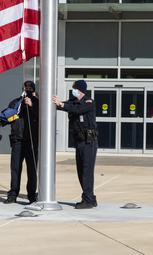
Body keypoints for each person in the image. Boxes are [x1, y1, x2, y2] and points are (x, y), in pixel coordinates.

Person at [52, 80, 98, 209]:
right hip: (80, 141)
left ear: (80, 90)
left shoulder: (88, 102)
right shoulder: (74, 101)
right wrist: (55, 102)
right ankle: (91, 198)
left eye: (74, 88)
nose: (73, 90)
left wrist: (61, 104)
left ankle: (88, 200)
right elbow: (66, 105)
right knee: (81, 171)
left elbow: (78, 110)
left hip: (89, 141)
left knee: (86, 171)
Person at [5, 81, 39, 204]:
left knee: (31, 169)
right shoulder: (16, 102)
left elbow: (41, 117)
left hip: (31, 141)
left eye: (30, 88)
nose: (28, 89)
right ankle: (13, 193)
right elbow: (8, 115)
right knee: (15, 168)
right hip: (17, 140)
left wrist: (32, 105)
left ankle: (31, 195)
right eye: (26, 87)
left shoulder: (38, 102)